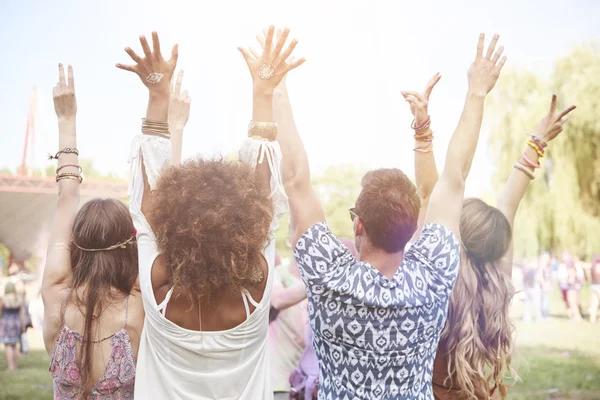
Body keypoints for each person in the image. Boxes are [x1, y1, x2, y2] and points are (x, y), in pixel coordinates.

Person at [276, 31, 506, 398]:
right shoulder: (433, 274)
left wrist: (276, 87)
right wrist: (476, 94)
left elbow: (295, 179)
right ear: (415, 227)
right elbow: (455, 176)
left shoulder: (328, 274)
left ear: (358, 225)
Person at [119, 28, 303, 399]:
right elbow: (264, 186)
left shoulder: (158, 286)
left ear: (173, 224)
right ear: (248, 224)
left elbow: (145, 203)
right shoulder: (258, 285)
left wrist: (157, 96)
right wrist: (263, 94)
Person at [406, 74, 576, 396]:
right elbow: (508, 205)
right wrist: (538, 142)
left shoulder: (436, 277)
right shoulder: (498, 281)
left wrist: (429, 125)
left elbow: (435, 190)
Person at [41, 64, 146, 398]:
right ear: (131, 246)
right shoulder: (140, 309)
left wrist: (66, 121)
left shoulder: (56, 298)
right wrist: (166, 120)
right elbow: (153, 213)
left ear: (76, 245)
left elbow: (66, 197)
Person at [0, 282, 26, 371]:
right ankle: (15, 365)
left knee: (8, 345)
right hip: (16, 323)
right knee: (14, 345)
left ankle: (11, 366)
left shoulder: (3, 299)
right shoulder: (18, 299)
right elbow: (21, 314)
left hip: (6, 324)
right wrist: (22, 325)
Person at [589, 254, 600, 323]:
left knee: (594, 303)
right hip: (598, 285)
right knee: (595, 303)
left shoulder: (592, 266)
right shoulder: (598, 266)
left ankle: (592, 318)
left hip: (593, 285)